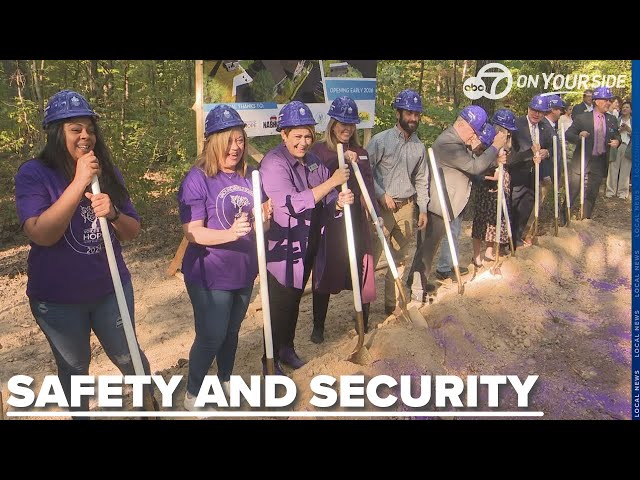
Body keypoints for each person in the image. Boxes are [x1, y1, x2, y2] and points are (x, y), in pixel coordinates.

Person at [14, 89, 154, 417]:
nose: (85, 136)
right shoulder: (33, 173)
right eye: (75, 129)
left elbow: (132, 231)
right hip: (58, 300)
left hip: (109, 290)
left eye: (89, 128)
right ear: (55, 133)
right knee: (74, 368)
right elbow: (41, 233)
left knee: (129, 355)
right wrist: (79, 182)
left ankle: (152, 408)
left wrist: (115, 214)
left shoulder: (106, 171)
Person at [177, 105, 271, 411]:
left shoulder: (250, 176)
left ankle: (226, 379)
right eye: (229, 140)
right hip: (209, 273)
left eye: (240, 140)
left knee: (231, 331)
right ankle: (193, 394)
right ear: (213, 141)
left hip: (243, 271)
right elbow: (193, 232)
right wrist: (232, 233)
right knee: (211, 334)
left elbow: (262, 222)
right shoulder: (198, 178)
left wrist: (263, 219)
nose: (236, 147)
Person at [259, 101, 354, 373]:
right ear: (284, 134)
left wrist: (338, 201)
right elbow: (291, 203)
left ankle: (287, 349)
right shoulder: (273, 163)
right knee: (279, 304)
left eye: (308, 135)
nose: (303, 142)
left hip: (309, 240)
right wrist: (332, 184)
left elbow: (327, 196)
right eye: (297, 136)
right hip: (284, 245)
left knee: (294, 299)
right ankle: (270, 361)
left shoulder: (313, 161)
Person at [408, 105, 506, 299]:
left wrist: (495, 163)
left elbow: (470, 169)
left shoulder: (458, 143)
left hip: (447, 203)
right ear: (463, 124)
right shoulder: (448, 143)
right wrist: (495, 147)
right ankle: (416, 290)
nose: (473, 137)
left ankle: (414, 281)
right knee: (427, 250)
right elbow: (474, 166)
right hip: (437, 204)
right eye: (473, 131)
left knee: (429, 248)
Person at [309, 96, 382, 343]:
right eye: (342, 122)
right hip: (330, 223)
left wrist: (375, 215)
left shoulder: (361, 153)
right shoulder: (319, 151)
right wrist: (338, 159)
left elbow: (368, 188)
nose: (347, 128)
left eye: (351, 124)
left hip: (357, 222)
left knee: (363, 267)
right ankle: (318, 326)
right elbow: (315, 182)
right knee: (325, 271)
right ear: (332, 123)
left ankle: (363, 321)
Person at [367, 89, 429, 314]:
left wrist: (422, 208)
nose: (413, 118)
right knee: (371, 258)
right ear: (398, 113)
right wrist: (381, 194)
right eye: (409, 113)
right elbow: (365, 171)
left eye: (416, 114)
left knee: (399, 258)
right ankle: (363, 308)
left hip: (406, 207)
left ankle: (392, 306)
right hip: (381, 209)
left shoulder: (419, 147)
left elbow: (422, 178)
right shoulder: (380, 141)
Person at [560, 86, 621, 224]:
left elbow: (617, 135)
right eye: (606, 100)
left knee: (592, 192)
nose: (609, 103)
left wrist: (617, 141)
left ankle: (585, 219)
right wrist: (579, 136)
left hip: (599, 161)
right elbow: (568, 134)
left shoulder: (611, 119)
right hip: (582, 159)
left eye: (609, 100)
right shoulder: (583, 118)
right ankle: (564, 218)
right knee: (574, 190)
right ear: (597, 101)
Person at [471, 109, 517, 267]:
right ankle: (476, 255)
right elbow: (479, 162)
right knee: (481, 219)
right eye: (505, 130)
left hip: (502, 181)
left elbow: (511, 159)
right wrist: (492, 173)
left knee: (497, 219)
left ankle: (489, 250)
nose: (507, 133)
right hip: (486, 184)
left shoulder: (509, 141)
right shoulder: (486, 139)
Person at [507, 94, 551, 247]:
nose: (536, 114)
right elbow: (510, 156)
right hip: (517, 175)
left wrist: (546, 153)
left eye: (540, 111)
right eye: (534, 110)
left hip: (535, 175)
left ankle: (517, 237)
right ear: (528, 108)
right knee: (514, 207)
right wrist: (529, 153)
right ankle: (507, 240)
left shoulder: (545, 127)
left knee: (527, 207)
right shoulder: (517, 125)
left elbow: (551, 146)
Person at [606, 100, 632, 199]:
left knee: (625, 170)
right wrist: (618, 130)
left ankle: (622, 192)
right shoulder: (616, 119)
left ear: (630, 110)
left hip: (628, 146)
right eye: (623, 107)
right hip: (617, 145)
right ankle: (610, 191)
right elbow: (611, 131)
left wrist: (629, 130)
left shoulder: (634, 121)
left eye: (627, 107)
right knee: (613, 168)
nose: (625, 109)